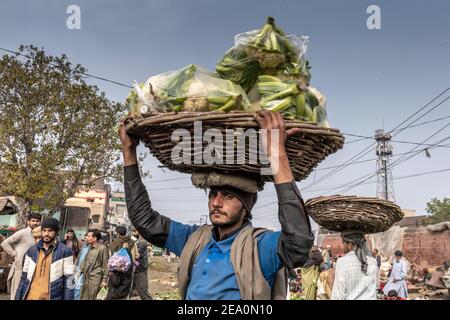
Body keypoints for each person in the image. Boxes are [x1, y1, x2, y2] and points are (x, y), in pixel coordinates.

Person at [119, 110, 314, 300]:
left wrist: (276, 153)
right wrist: (129, 152)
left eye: (228, 196)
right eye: (213, 194)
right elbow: (145, 221)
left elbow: (299, 244)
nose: (216, 202)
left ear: (246, 206)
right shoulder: (195, 239)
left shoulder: (260, 246)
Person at [15, 218, 74, 300]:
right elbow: (23, 279)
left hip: (52, 297)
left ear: (56, 232)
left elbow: (69, 281)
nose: (46, 234)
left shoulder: (65, 251)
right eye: (44, 230)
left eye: (50, 231)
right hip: (30, 296)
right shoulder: (32, 251)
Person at [1, 212, 42, 299]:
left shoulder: (41, 234)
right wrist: (14, 254)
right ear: (28, 222)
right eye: (33, 221)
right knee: (17, 292)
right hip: (20, 268)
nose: (35, 223)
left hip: (34, 268)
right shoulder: (23, 233)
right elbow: (5, 243)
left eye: (37, 221)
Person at [331, 230, 377, 300]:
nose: (343, 246)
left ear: (350, 245)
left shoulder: (342, 262)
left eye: (344, 244)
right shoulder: (373, 261)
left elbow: (338, 295)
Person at [79, 229, 109, 300]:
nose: (87, 238)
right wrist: (80, 271)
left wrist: (104, 280)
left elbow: (105, 265)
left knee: (94, 296)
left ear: (95, 238)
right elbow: (86, 260)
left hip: (96, 278)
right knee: (84, 295)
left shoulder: (102, 248)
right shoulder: (89, 247)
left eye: (89, 236)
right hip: (86, 276)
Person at [131, 229, 152, 300]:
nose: (133, 233)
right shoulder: (138, 241)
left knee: (142, 290)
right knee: (128, 290)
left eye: (135, 231)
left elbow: (136, 254)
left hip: (140, 269)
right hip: (136, 269)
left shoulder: (142, 242)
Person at [74, 233, 90, 300]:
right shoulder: (83, 247)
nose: (85, 239)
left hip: (84, 270)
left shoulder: (91, 248)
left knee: (79, 285)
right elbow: (78, 257)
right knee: (75, 284)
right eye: (85, 237)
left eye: (87, 238)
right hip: (78, 269)